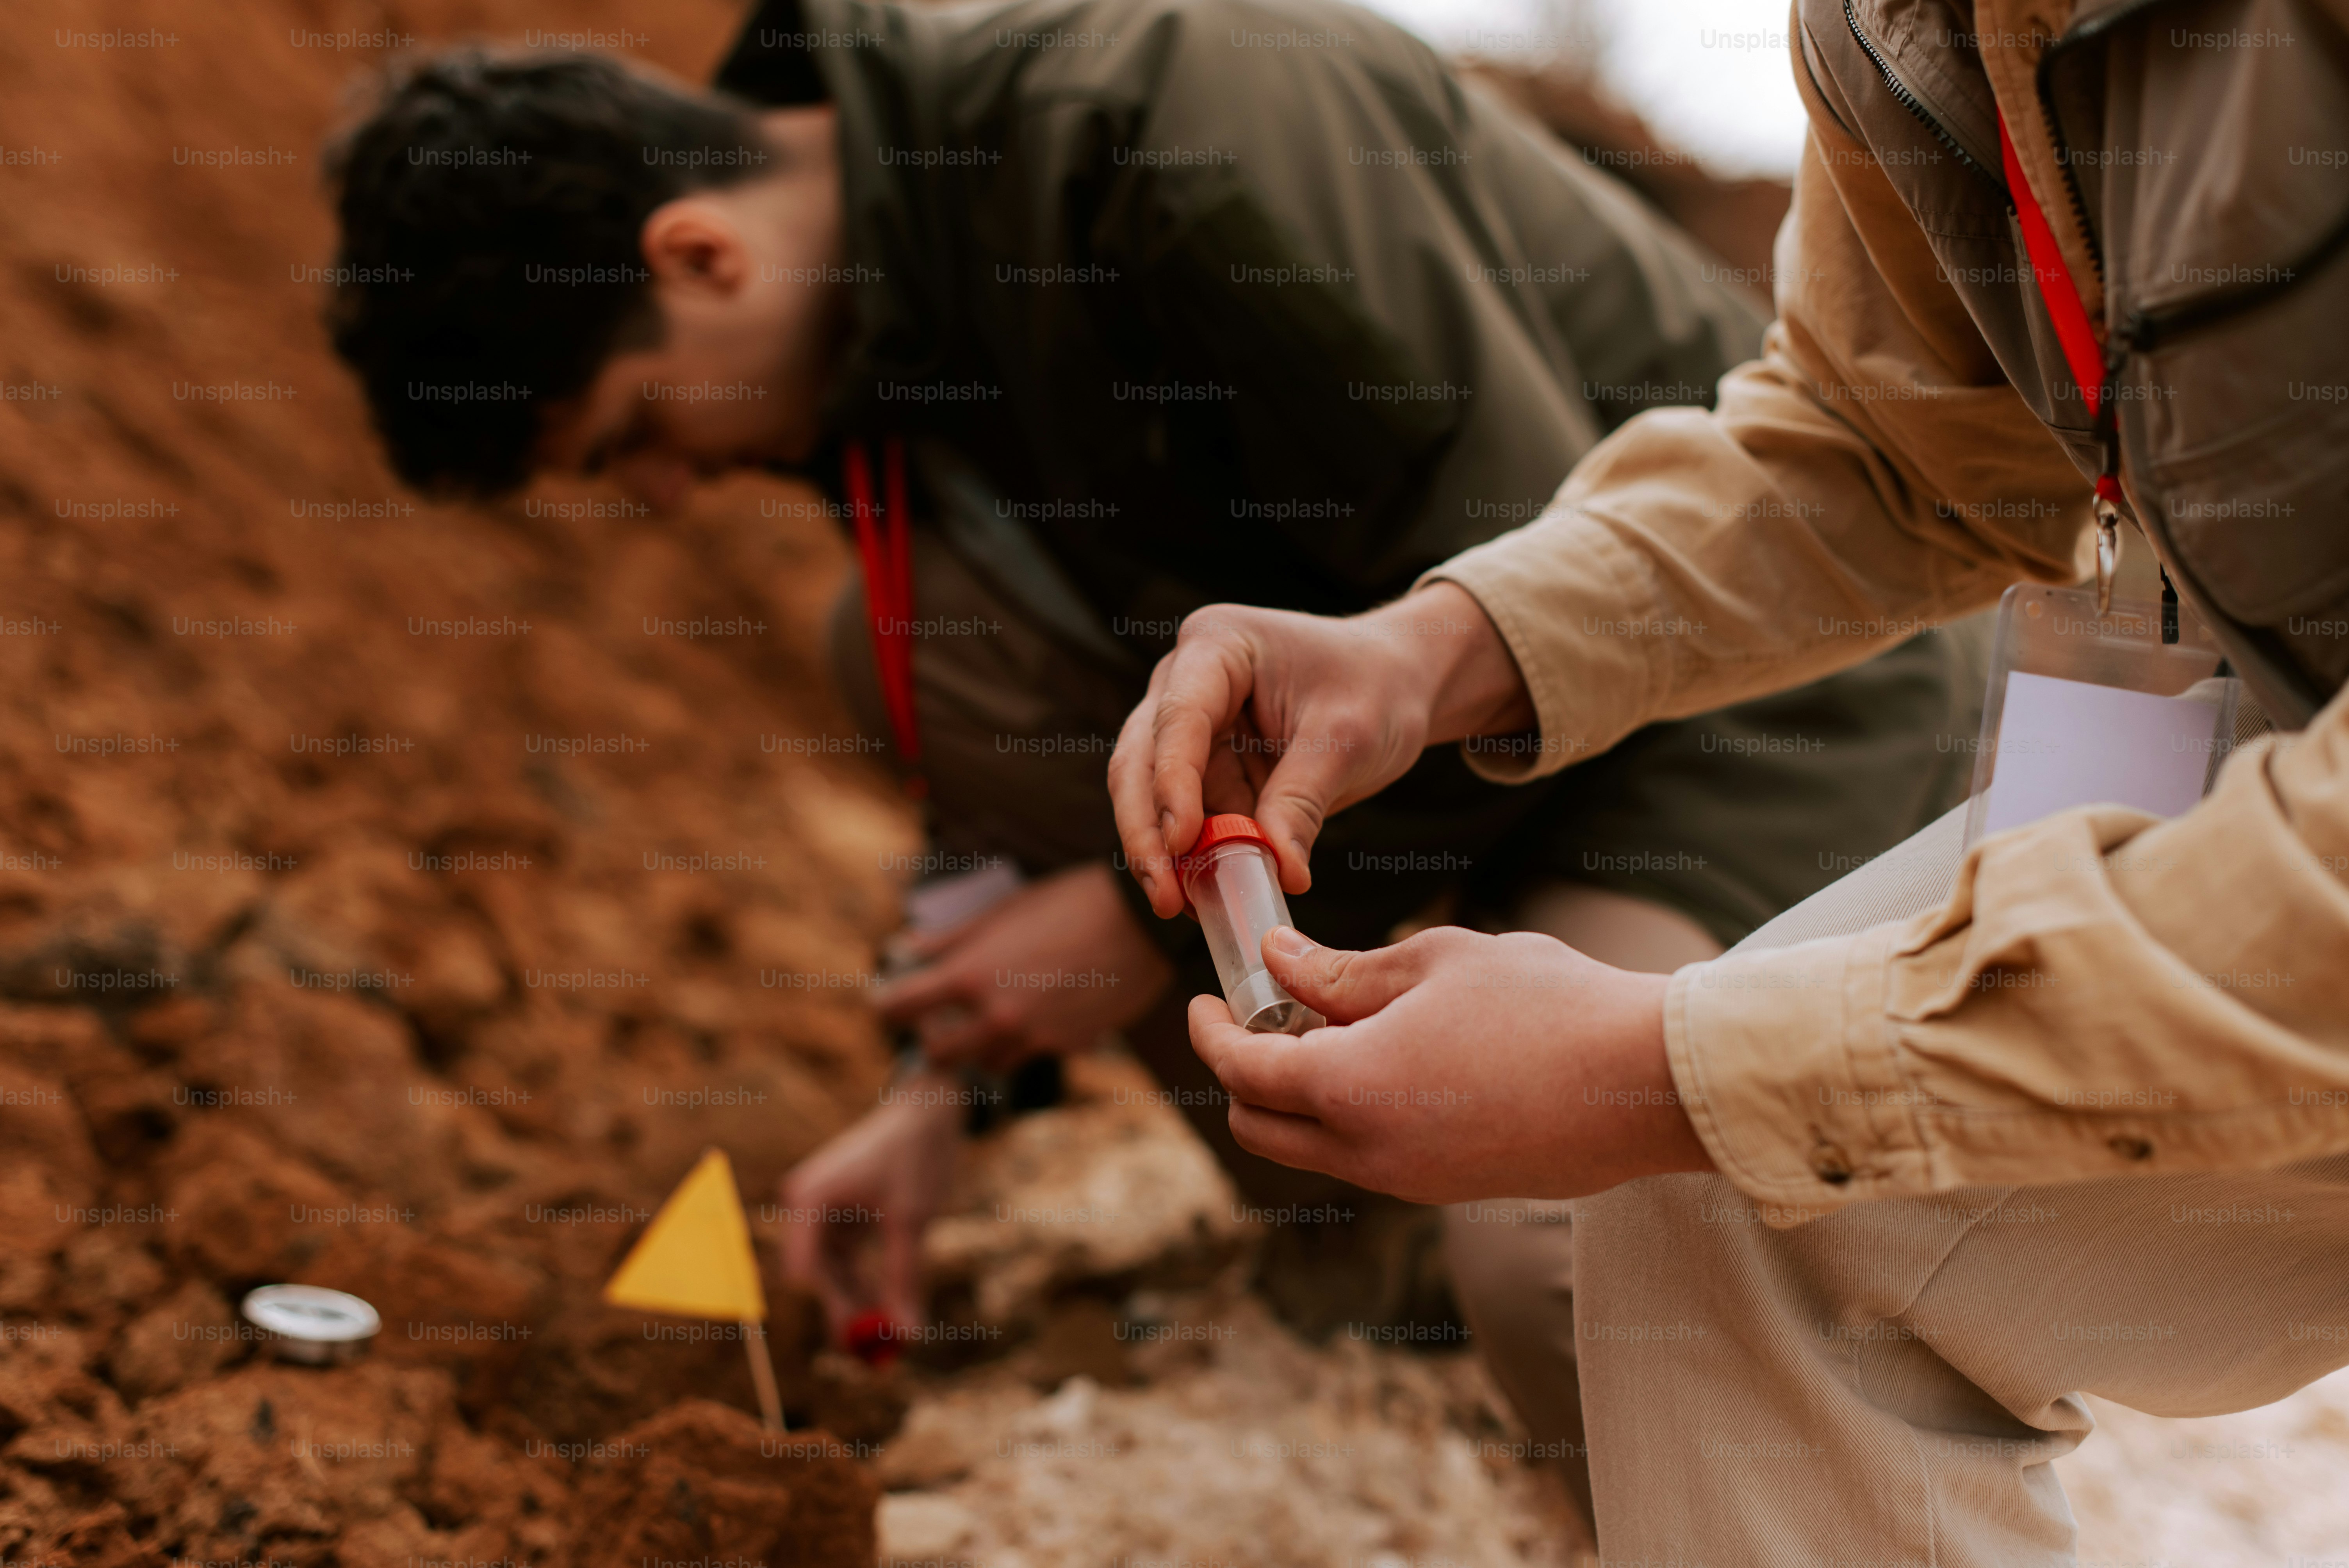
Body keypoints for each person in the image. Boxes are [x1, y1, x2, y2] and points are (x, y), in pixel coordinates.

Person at [322, 0, 1971, 1431]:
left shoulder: (1164, 131)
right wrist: (937, 1100)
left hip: (1738, 698)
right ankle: (1362, 1233)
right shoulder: (870, 358)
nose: (670, 487)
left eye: (634, 435)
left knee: (1572, 1264)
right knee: (894, 641)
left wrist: (1125, 927)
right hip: (1408, 746)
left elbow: (1524, 597)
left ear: (698, 252)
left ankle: (1740, 1291)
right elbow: (1013, 785)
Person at [1110, 0, 2349, 1559]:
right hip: (2276, 725)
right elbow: (1886, 439)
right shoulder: (1907, 24)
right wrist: (1438, 647)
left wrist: (1654, 1064)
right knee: (1751, 1193)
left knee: (1735, 1105)